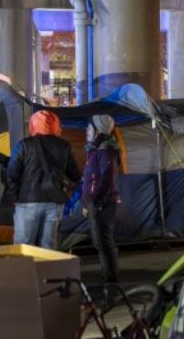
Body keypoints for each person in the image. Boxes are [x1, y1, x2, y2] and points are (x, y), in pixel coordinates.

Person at [8, 110, 81, 249]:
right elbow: (75, 175)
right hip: (54, 202)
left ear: (33, 125)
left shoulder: (24, 145)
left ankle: (25, 271)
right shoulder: (64, 146)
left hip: (28, 202)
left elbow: (12, 173)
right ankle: (47, 270)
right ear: (55, 124)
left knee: (24, 246)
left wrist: (15, 197)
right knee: (48, 247)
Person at [82, 114, 120, 283]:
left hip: (102, 203)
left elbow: (106, 179)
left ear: (98, 131)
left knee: (103, 241)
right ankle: (109, 273)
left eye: (90, 128)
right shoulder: (96, 151)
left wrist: (95, 202)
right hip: (94, 202)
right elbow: (91, 179)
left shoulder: (106, 151)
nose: (87, 131)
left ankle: (110, 277)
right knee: (99, 241)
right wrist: (86, 202)